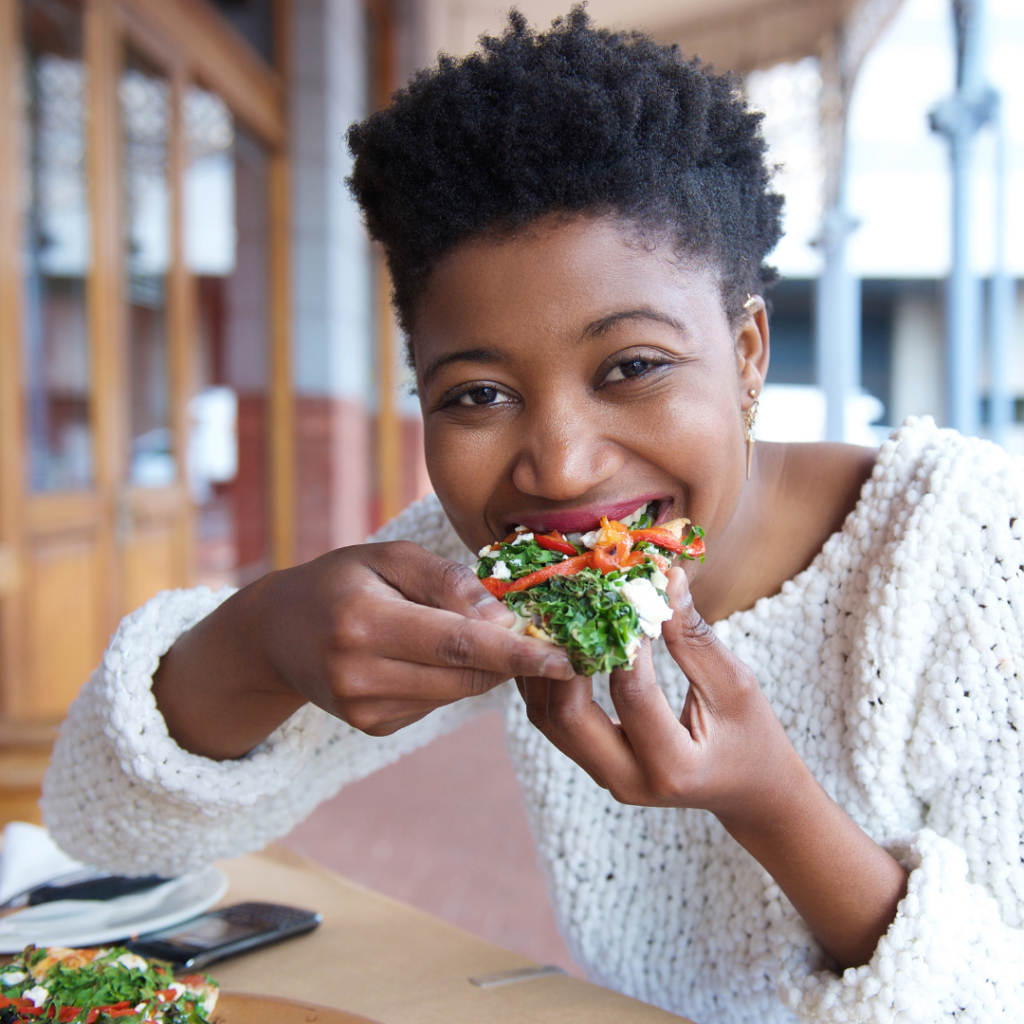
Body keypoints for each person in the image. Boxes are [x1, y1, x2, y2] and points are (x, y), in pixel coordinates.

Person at [42, 10, 1024, 1023]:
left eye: (631, 367)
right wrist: (254, 644)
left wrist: (770, 801)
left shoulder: (968, 549)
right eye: (476, 394)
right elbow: (102, 828)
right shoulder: (485, 570)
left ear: (745, 355)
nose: (558, 467)